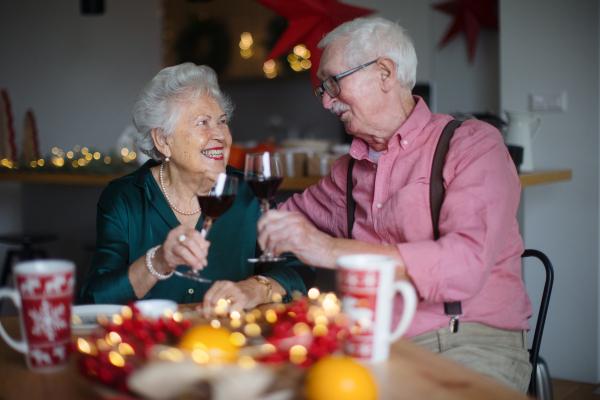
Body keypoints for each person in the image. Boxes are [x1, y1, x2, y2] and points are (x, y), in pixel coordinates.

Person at [257, 17, 533, 393]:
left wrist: (328, 249)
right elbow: (274, 221)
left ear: (385, 73)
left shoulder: (471, 145)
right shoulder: (348, 172)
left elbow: (464, 265)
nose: (326, 100)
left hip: (468, 342)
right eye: (322, 88)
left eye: (334, 82)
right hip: (371, 344)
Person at [78, 63, 313, 311]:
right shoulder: (124, 199)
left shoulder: (249, 191)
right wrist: (157, 262)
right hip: (149, 343)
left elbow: (298, 269)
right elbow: (94, 297)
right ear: (163, 140)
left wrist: (253, 288)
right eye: (203, 123)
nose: (220, 135)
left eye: (222, 122)